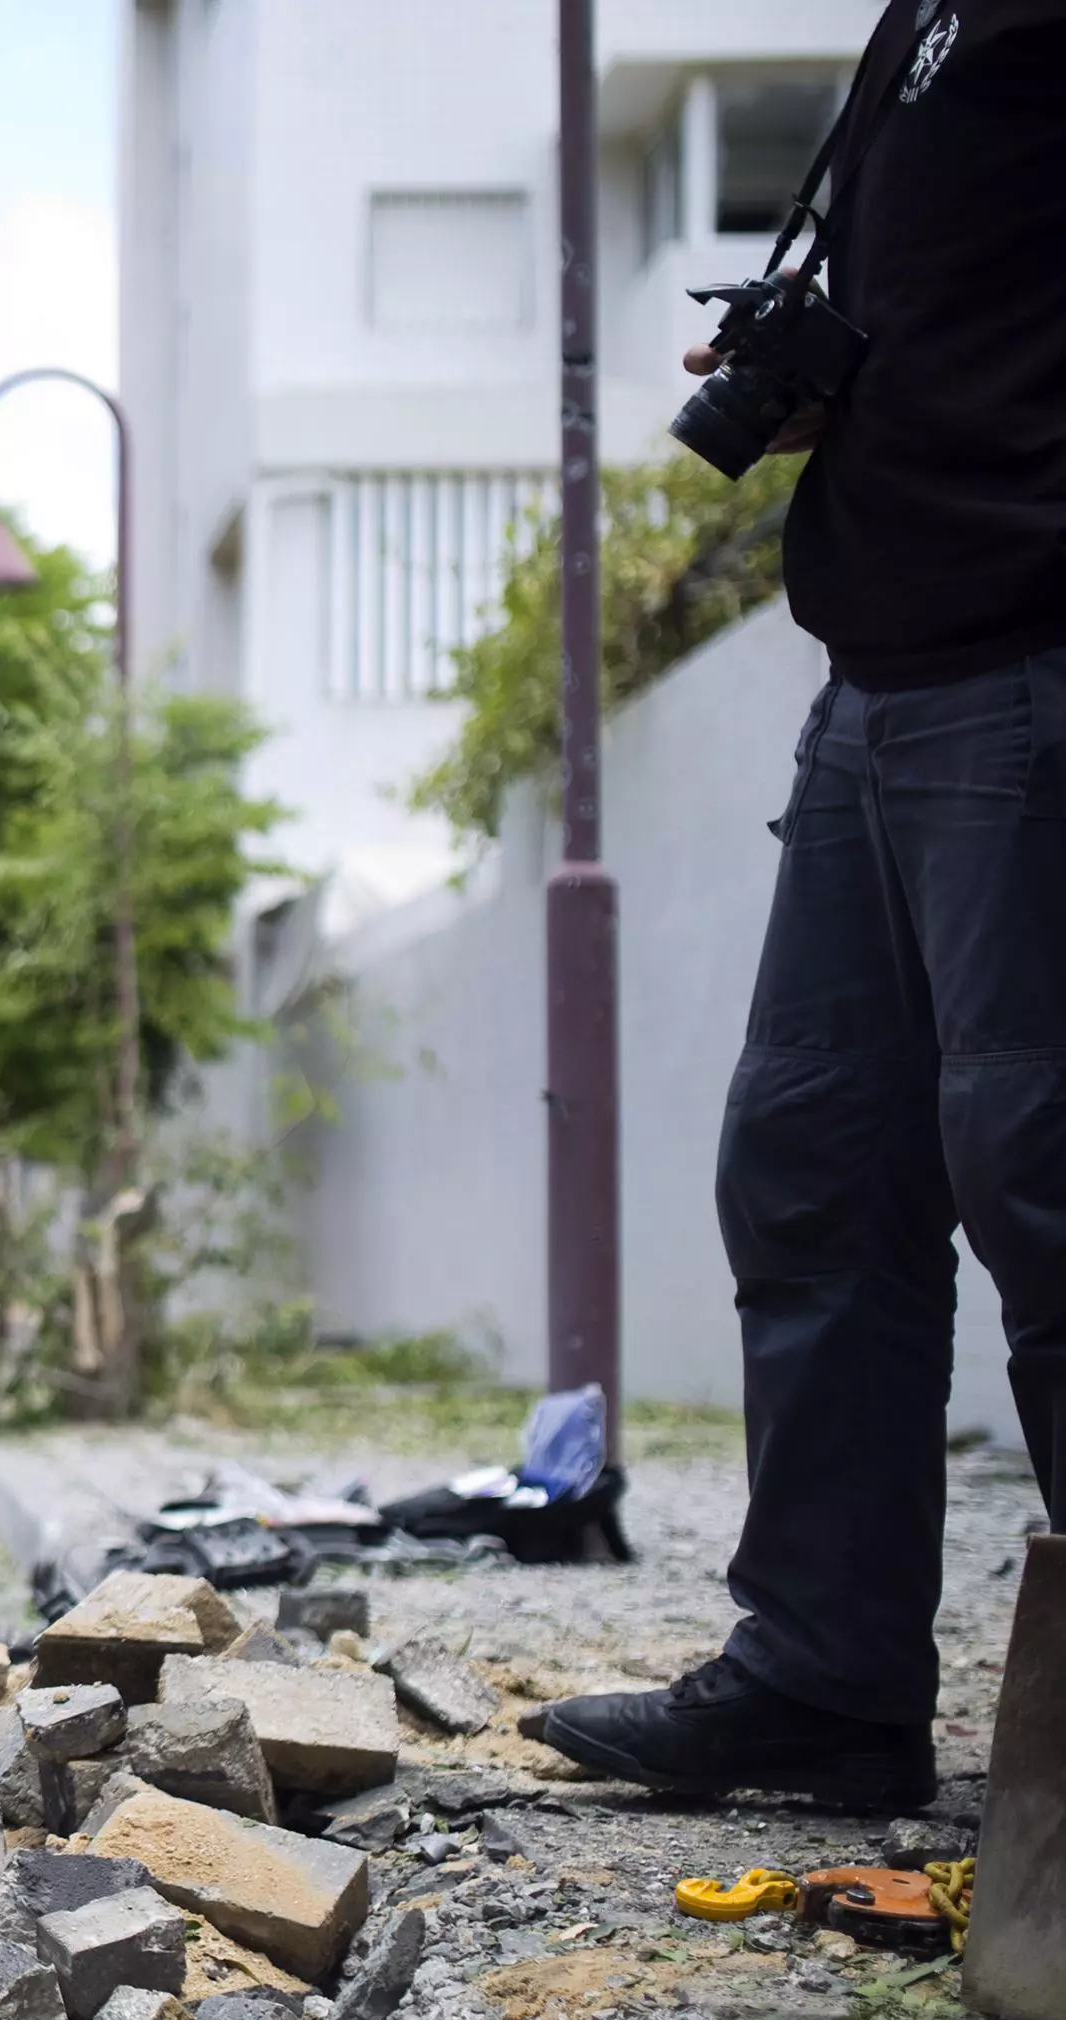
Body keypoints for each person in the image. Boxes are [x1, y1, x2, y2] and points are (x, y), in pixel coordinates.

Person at [527, 0, 1066, 1811]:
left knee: (1041, 1171)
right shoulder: (931, 15)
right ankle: (829, 1679)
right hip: (881, 673)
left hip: (1030, 663)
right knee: (817, 1167)